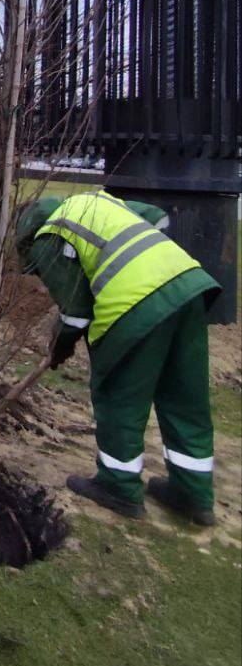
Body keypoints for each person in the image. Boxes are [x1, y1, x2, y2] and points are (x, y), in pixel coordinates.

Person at [16, 190, 220, 524]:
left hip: (137, 302)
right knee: (184, 395)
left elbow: (76, 313)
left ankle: (118, 486)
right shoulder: (97, 201)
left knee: (119, 394)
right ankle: (193, 493)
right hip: (188, 283)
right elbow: (157, 216)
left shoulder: (46, 236)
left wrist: (59, 348)